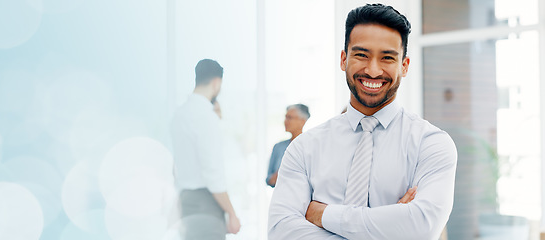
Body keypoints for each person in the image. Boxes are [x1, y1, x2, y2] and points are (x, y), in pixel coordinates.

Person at [268, 4, 457, 240]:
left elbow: (422, 227)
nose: (373, 70)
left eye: (387, 57)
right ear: (343, 59)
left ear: (404, 66)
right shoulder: (305, 148)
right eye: (361, 55)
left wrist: (323, 215)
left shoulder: (430, 144)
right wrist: (392, 226)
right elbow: (281, 232)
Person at [171, 59, 240, 240]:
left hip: (186, 202)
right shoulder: (205, 116)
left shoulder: (180, 114)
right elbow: (213, 175)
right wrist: (231, 213)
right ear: (217, 82)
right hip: (206, 203)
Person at [266, 104, 310, 187]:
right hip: (281, 197)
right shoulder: (278, 147)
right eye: (285, 117)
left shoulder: (311, 146)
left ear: (302, 121)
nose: (285, 121)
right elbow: (269, 180)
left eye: (290, 118)